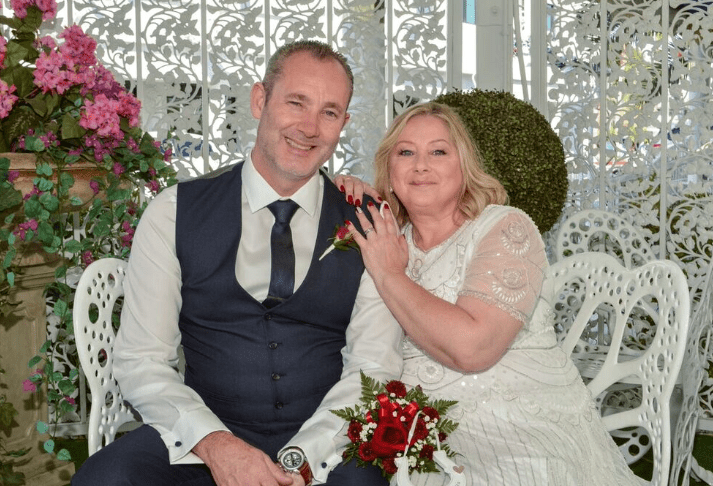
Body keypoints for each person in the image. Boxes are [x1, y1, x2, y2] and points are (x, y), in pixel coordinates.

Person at [72, 40, 403, 486]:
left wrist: (301, 458)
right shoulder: (173, 212)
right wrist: (216, 445)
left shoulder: (368, 226)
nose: (309, 127)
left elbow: (373, 365)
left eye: (328, 112)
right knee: (107, 479)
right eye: (295, 102)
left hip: (327, 447)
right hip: (199, 440)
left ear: (343, 124)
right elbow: (142, 360)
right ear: (259, 100)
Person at [336, 102, 646, 485]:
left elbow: (473, 348)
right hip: (427, 439)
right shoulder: (387, 240)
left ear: (463, 165)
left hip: (520, 433)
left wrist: (390, 275)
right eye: (406, 152)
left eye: (438, 151)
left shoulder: (505, 228)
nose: (420, 165)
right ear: (390, 168)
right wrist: (340, 194)